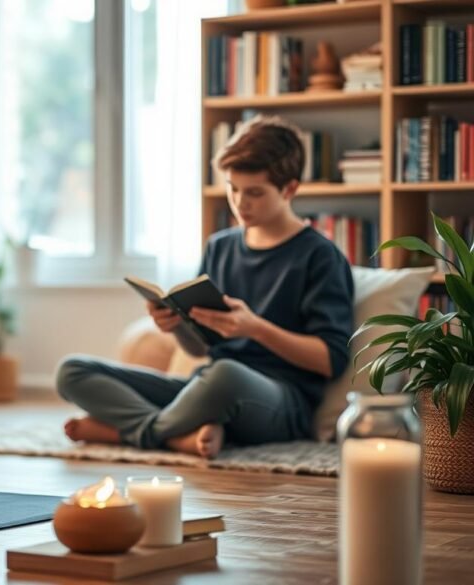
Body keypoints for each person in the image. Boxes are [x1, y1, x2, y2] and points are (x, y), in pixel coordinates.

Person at [56, 115, 354, 459]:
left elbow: (331, 360)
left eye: (255, 192)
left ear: (289, 189)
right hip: (206, 388)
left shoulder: (320, 256)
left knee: (225, 376)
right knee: (72, 371)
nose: (240, 203)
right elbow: (200, 350)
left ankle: (132, 432)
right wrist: (177, 326)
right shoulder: (220, 247)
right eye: (233, 188)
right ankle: (173, 435)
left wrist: (256, 329)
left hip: (279, 402)